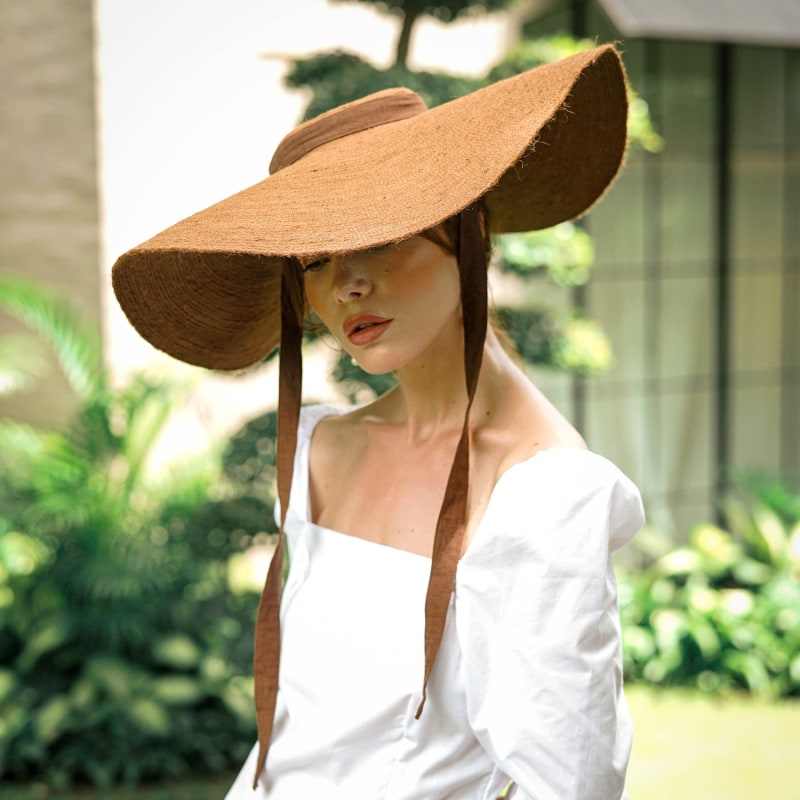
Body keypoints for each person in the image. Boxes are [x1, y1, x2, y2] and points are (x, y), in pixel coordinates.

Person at [112, 43, 644, 799]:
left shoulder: (541, 498)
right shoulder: (322, 453)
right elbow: (305, 732)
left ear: (473, 232)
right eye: (318, 261)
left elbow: (571, 783)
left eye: (385, 236)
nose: (349, 284)